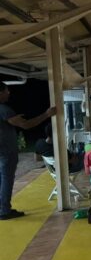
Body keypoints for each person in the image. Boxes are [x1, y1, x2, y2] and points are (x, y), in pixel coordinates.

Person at [0, 82, 56, 220]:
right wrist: (46, 114)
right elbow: (26, 125)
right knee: (6, 180)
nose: (9, 93)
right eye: (6, 91)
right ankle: (4, 210)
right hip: (6, 151)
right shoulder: (4, 109)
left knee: (1, 180)